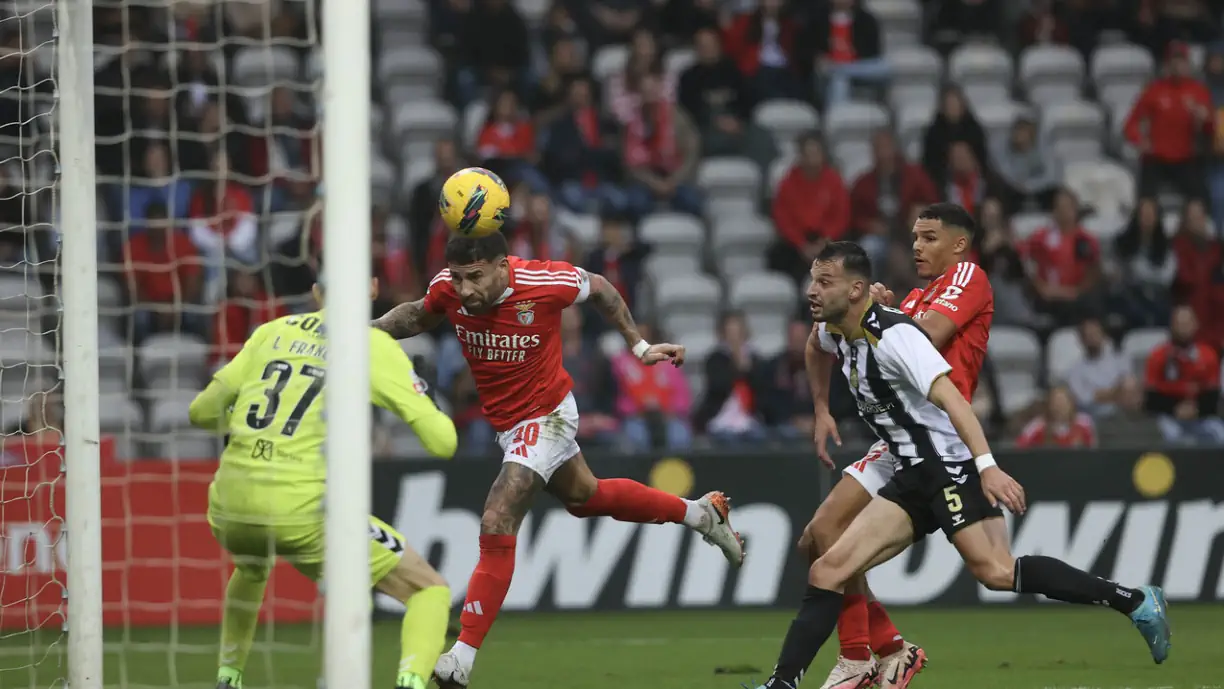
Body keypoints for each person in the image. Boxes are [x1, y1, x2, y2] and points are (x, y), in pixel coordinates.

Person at [750, 242, 1170, 689]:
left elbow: (953, 400)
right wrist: (821, 409)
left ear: (856, 290)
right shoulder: (836, 328)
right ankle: (790, 682)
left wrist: (986, 466)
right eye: (813, 280)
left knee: (996, 572)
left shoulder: (896, 337)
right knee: (825, 566)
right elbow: (816, 347)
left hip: (948, 465)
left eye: (824, 282)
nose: (811, 291)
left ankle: (1135, 601)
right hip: (908, 469)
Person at [372, 232, 745, 688]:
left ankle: (460, 660)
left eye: (475, 277)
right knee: (587, 496)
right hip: (508, 427)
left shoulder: (544, 281)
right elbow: (417, 314)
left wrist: (639, 346)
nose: (465, 289)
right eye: (458, 278)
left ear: (501, 266)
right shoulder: (449, 289)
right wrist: (362, 333)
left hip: (546, 415)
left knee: (497, 517)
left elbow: (603, 289)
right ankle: (701, 514)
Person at [188, 277, 459, 689]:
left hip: (228, 505)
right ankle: (411, 683)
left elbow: (200, 413)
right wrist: (426, 398)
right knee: (430, 591)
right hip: (302, 512)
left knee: (251, 565)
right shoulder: (371, 346)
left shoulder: (271, 332)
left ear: (316, 291)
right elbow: (444, 444)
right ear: (370, 289)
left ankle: (228, 676)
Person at [797, 203, 992, 689]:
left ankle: (860, 658)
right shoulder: (916, 294)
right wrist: (822, 409)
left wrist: (881, 311)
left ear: (958, 244)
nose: (916, 247)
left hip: (938, 433)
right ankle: (888, 650)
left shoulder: (967, 276)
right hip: (898, 435)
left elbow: (920, 335)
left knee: (994, 568)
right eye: (914, 237)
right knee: (818, 537)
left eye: (927, 237)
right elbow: (825, 341)